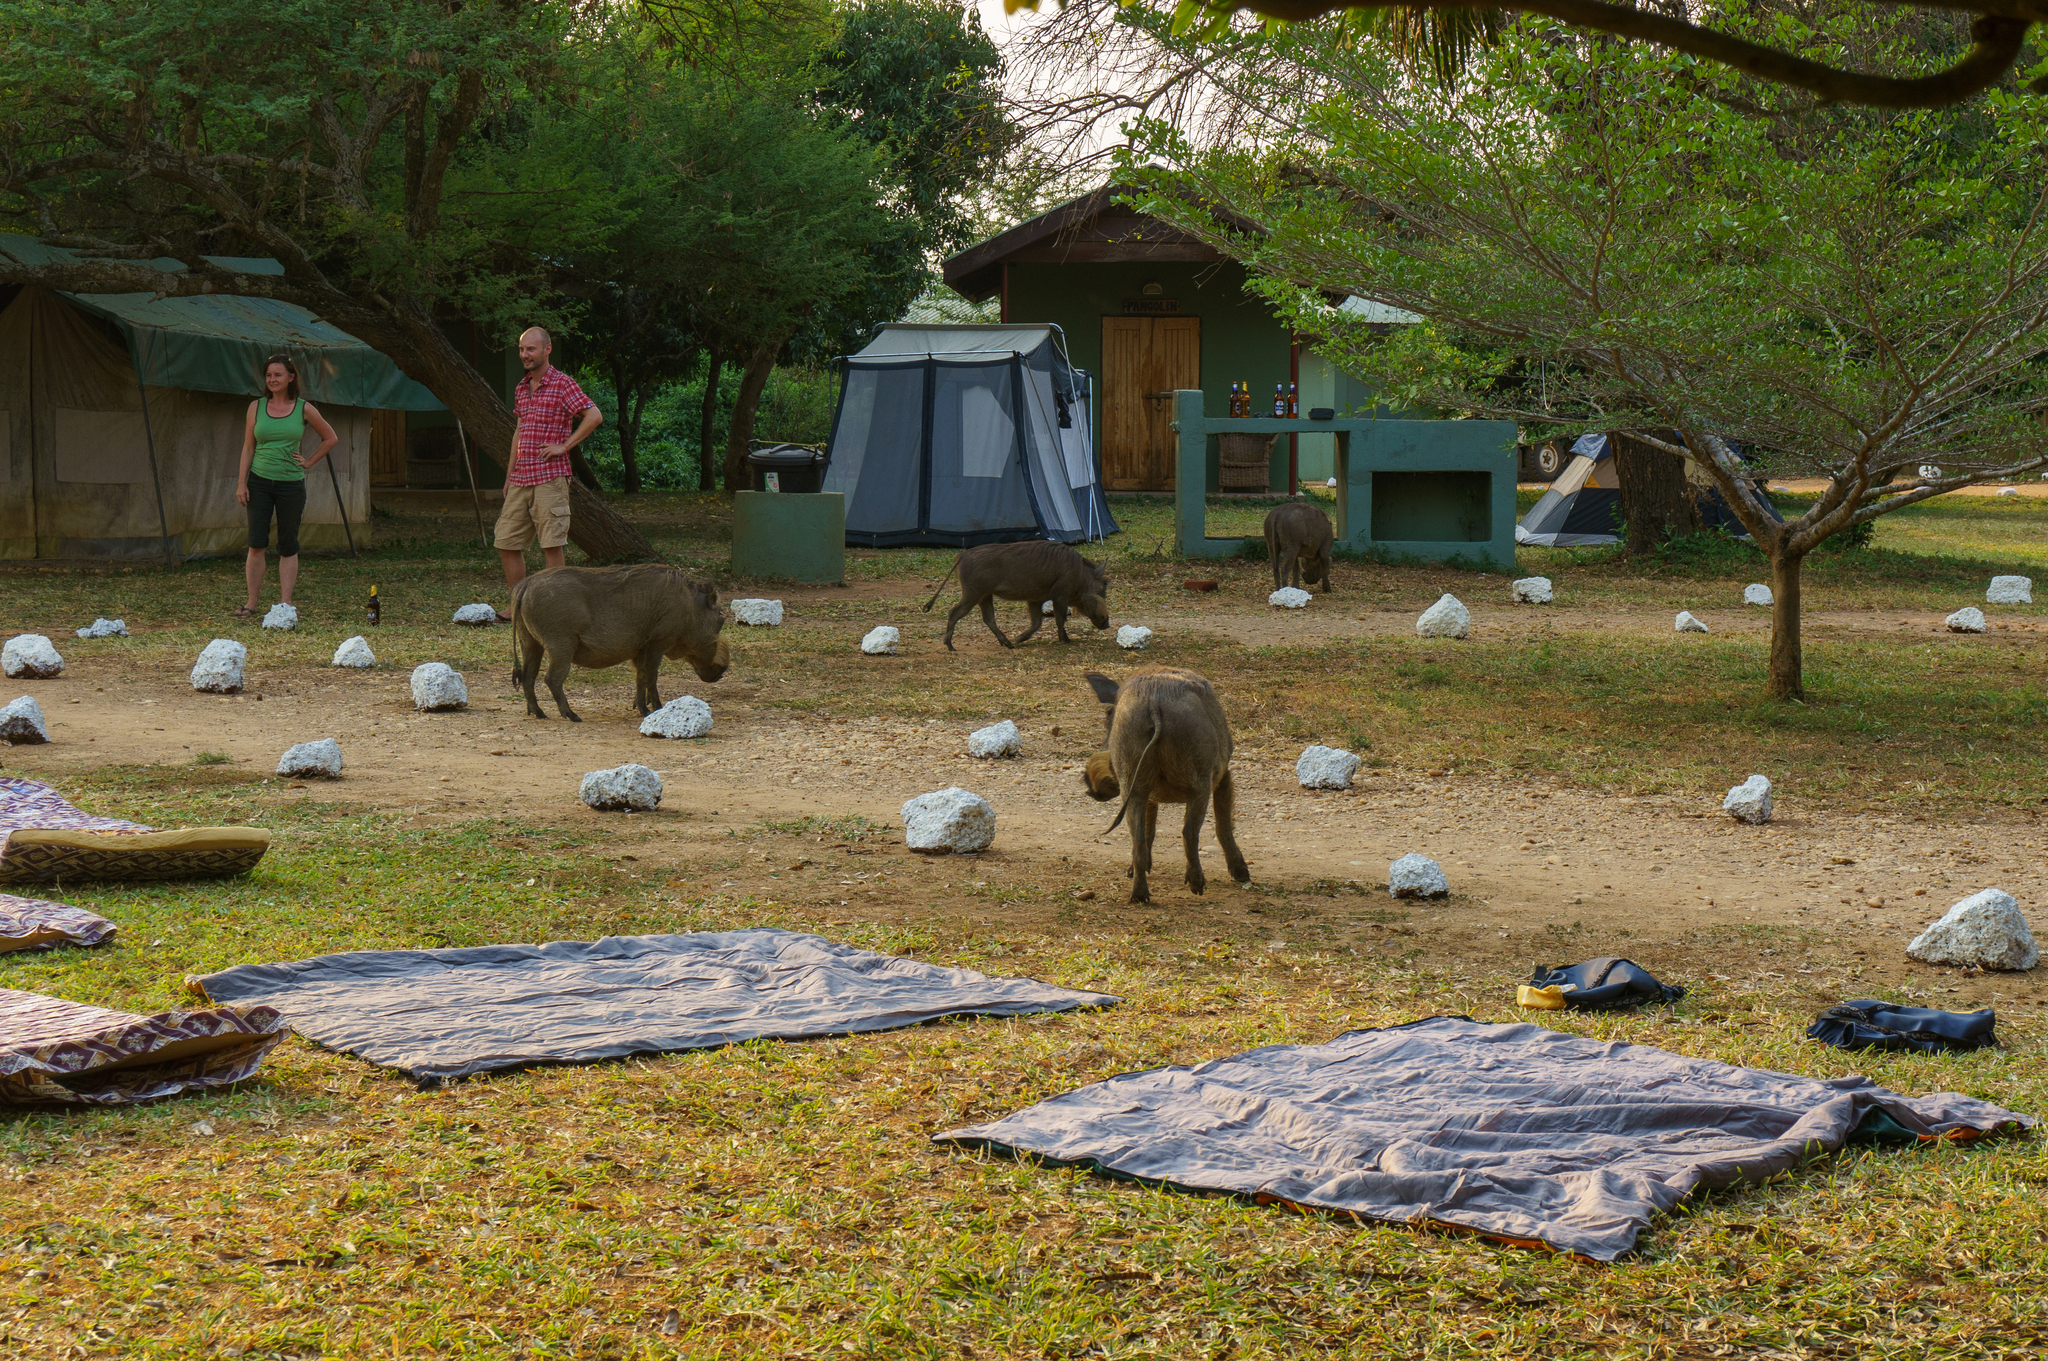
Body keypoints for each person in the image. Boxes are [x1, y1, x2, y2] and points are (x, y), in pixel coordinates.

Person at [496, 326, 601, 612]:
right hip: (521, 478)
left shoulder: (563, 383)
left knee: (551, 544)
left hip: (549, 478)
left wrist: (564, 446)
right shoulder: (521, 387)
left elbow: (594, 415)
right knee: (506, 541)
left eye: (531, 349)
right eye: (521, 350)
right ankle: (519, 606)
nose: (525, 355)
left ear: (547, 349)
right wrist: (509, 476)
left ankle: (554, 610)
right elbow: (519, 432)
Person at [236, 354, 337, 616]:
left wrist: (309, 462)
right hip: (258, 483)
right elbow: (248, 447)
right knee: (257, 543)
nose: (272, 380)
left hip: (290, 484)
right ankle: (251, 603)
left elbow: (330, 437)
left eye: (278, 375)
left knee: (287, 543)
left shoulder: (303, 408)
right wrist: (241, 484)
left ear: (291, 377)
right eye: (269, 375)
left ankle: (285, 603)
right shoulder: (255, 407)